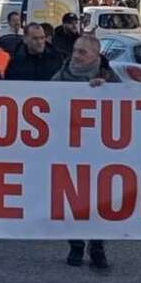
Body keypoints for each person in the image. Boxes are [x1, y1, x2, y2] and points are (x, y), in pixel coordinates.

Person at [52, 34, 120, 270]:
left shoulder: (111, 79)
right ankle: (76, 244)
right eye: (75, 50)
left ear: (96, 56)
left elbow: (128, 107)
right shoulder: (59, 78)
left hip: (100, 153)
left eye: (83, 52)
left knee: (99, 201)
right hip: (69, 150)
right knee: (73, 200)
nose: (76, 56)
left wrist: (106, 91)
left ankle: (97, 245)